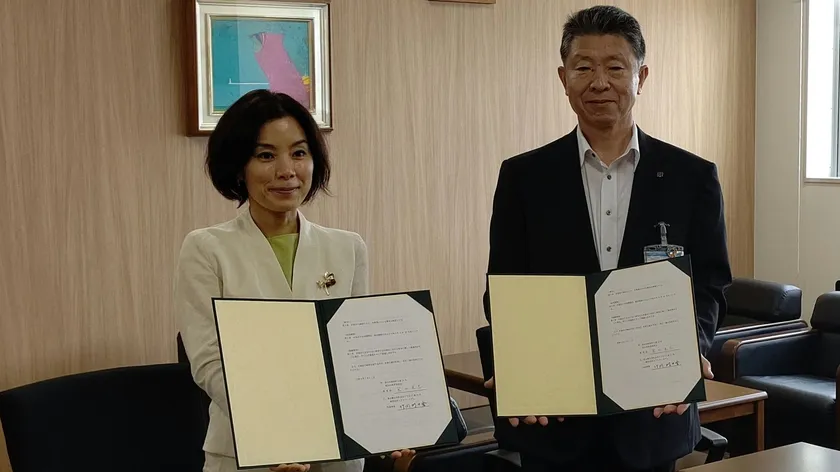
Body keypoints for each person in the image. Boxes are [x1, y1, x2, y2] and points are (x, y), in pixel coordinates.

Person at [482, 6, 732, 472]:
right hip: (554, 416)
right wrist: (516, 360)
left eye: (616, 67)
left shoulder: (692, 177)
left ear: (641, 76)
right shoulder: (524, 177)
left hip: (652, 414)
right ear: (563, 78)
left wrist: (690, 348)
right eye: (583, 68)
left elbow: (710, 284)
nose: (600, 83)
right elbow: (504, 285)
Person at [175, 90, 412, 472]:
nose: (287, 170)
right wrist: (278, 432)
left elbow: (357, 356)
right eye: (266, 155)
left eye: (299, 153)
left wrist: (394, 420)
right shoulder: (206, 249)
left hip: (338, 452)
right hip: (249, 452)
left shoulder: (347, 248)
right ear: (239, 166)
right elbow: (209, 363)